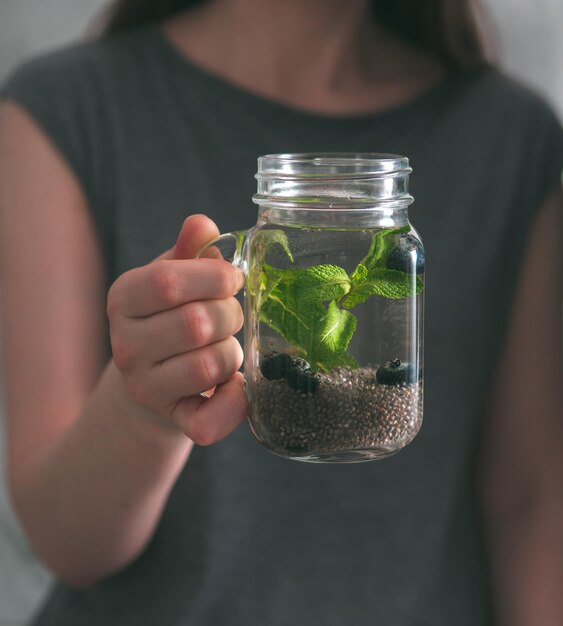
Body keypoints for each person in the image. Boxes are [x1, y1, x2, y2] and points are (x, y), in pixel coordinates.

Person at [0, 0, 562, 624]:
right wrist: (144, 407)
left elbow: (532, 501)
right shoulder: (65, 108)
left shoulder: (513, 137)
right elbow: (64, 543)